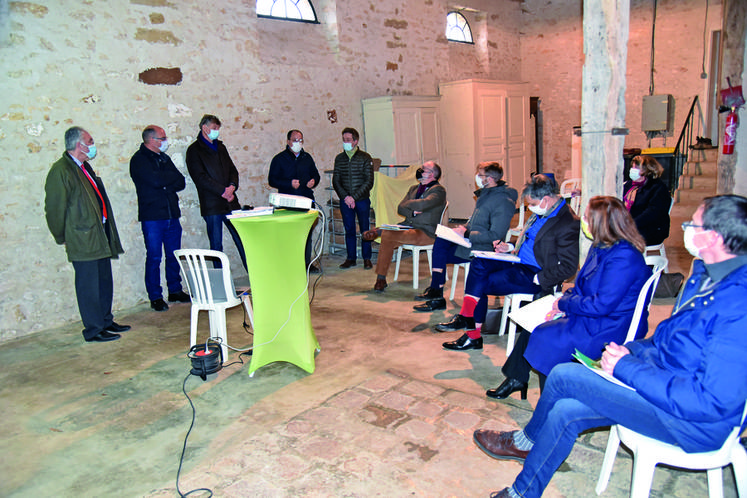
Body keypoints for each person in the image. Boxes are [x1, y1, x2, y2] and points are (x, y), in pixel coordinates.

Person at [473, 195, 747, 498]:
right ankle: (522, 489)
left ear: (715, 236)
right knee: (565, 409)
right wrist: (634, 352)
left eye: (692, 224)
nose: (686, 230)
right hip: (661, 383)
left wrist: (627, 368)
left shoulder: (738, 307)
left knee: (565, 375)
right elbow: (667, 338)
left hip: (688, 421)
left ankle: (524, 445)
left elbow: (710, 402)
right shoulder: (705, 278)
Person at [487, 196, 651, 400]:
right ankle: (518, 378)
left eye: (586, 216)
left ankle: (551, 399)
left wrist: (564, 303)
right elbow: (582, 284)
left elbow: (602, 305)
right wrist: (563, 301)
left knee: (546, 337)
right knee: (539, 321)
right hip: (595, 316)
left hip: (609, 325)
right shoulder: (602, 246)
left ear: (601, 222)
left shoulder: (623, 256)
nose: (581, 220)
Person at [436, 174, 579, 352]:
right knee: (479, 262)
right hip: (517, 260)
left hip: (534, 274)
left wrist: (538, 278)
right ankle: (467, 319)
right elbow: (530, 240)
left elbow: (569, 266)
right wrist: (510, 246)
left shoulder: (567, 222)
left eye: (533, 204)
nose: (531, 208)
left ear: (547, 199)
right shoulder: (545, 212)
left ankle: (472, 333)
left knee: (480, 283)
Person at [44, 126, 130, 342]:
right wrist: (62, 236)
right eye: (89, 141)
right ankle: (93, 329)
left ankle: (105, 320)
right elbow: (55, 208)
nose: (92, 145)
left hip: (98, 235)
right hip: (82, 237)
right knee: (88, 285)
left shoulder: (84, 167)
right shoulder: (61, 170)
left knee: (103, 280)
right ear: (78, 144)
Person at [414, 162, 518, 312]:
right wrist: (464, 228)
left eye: (480, 175)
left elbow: (496, 235)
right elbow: (476, 222)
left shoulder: (503, 202)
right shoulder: (486, 194)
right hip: (471, 241)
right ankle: (436, 291)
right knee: (442, 240)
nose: (476, 178)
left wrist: (468, 234)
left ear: (489, 179)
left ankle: (437, 293)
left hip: (483, 248)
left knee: (441, 253)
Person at [130, 125, 191, 312]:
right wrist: (167, 179)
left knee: (174, 255)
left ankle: (175, 290)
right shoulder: (139, 160)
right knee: (154, 256)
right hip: (153, 216)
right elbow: (154, 181)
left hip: (171, 214)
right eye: (162, 138)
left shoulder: (164, 158)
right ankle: (155, 296)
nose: (165, 141)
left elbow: (180, 181)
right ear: (151, 140)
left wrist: (165, 180)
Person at [362, 161, 447, 292]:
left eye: (424, 169)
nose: (420, 170)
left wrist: (409, 203)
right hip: (408, 227)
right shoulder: (413, 188)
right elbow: (400, 208)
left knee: (388, 235)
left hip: (426, 232)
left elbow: (424, 204)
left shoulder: (438, 190)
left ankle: (379, 234)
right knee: (389, 236)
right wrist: (412, 211)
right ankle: (380, 278)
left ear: (432, 174)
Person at [186, 114, 246, 270]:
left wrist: (232, 186)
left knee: (242, 238)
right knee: (216, 246)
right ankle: (221, 283)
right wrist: (222, 191)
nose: (216, 132)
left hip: (230, 201)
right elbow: (200, 177)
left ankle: (254, 276)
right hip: (212, 203)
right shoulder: (194, 150)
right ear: (204, 128)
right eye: (214, 128)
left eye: (218, 129)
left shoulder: (221, 147)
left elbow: (233, 170)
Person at [268, 129, 321, 270]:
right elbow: (272, 179)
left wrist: (313, 180)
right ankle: (291, 265)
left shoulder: (307, 157)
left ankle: (306, 263)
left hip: (306, 200)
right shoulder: (279, 159)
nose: (298, 143)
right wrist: (289, 183)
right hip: (288, 202)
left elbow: (316, 174)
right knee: (289, 234)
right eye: (295, 140)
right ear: (288, 141)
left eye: (301, 140)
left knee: (307, 233)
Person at [333, 127, 375, 269]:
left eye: (348, 140)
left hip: (361, 200)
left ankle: (367, 258)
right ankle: (351, 258)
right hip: (346, 201)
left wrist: (354, 197)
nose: (345, 142)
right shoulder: (339, 159)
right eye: (344, 140)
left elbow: (369, 181)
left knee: (365, 230)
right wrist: (346, 197)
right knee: (349, 229)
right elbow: (336, 180)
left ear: (356, 141)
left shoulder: (365, 158)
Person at [624, 155, 671, 246]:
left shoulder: (658, 188)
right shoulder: (629, 185)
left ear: (647, 170)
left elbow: (653, 213)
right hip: (630, 226)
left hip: (650, 229)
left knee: (615, 238)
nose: (632, 170)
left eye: (636, 167)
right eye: (632, 167)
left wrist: (631, 225)